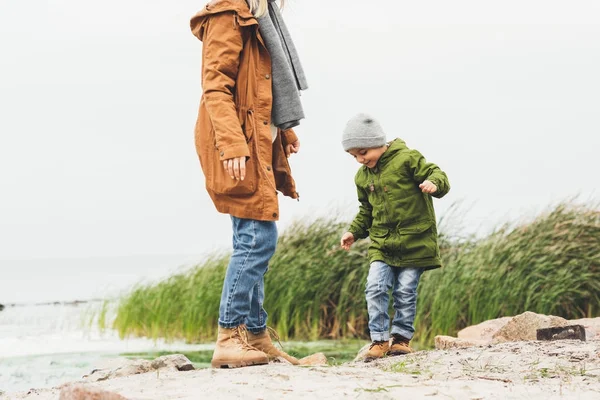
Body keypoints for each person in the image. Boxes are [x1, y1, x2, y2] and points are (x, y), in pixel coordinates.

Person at [189, 0, 308, 368]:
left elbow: (261, 83)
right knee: (257, 239)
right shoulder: (228, 14)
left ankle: (255, 335)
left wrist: (283, 127)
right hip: (239, 143)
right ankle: (229, 335)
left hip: (259, 139)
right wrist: (232, 144)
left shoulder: (261, 13)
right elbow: (215, 87)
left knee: (252, 236)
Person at [339, 113, 450, 362]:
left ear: (378, 141)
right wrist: (353, 232)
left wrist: (433, 183)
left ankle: (401, 340)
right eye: (353, 156)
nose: (359, 159)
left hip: (415, 241)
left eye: (363, 152)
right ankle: (379, 340)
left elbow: (437, 173)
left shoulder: (407, 158)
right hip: (382, 244)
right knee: (375, 287)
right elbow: (366, 211)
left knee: (405, 291)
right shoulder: (362, 177)